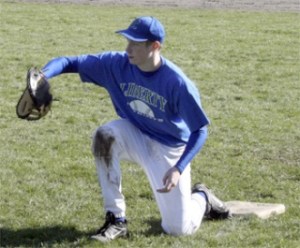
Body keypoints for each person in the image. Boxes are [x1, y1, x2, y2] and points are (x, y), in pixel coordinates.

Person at [41, 16, 231, 242]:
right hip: (136, 132)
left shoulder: (177, 83)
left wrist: (179, 168)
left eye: (136, 43)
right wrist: (43, 75)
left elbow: (200, 131)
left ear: (155, 46)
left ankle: (202, 198)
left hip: (169, 148)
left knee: (178, 228)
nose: (128, 48)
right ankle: (116, 219)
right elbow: (69, 62)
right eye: (128, 41)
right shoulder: (116, 65)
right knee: (104, 136)